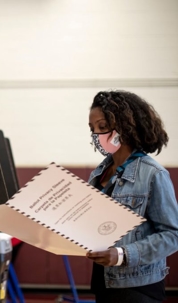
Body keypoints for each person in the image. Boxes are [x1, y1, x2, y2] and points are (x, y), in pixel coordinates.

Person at [86, 90, 178, 303]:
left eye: (102, 126)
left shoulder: (153, 174)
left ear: (124, 125)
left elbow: (173, 235)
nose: (96, 135)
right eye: (92, 129)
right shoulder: (98, 173)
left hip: (137, 286)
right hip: (104, 281)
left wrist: (123, 254)